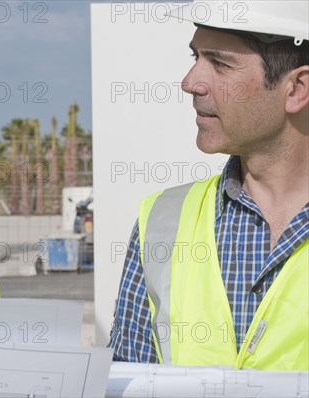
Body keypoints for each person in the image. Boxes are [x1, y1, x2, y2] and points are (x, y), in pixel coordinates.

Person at [109, 0, 308, 370]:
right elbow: (128, 380)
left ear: (296, 89)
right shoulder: (161, 220)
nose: (190, 82)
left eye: (220, 63)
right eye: (195, 57)